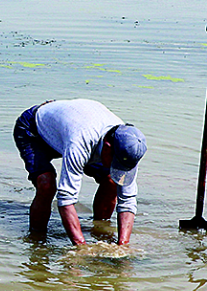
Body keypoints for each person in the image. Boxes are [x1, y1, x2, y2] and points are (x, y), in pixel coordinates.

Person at [13, 99, 146, 246]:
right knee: (46, 184)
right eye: (116, 163)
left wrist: (123, 245)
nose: (119, 168)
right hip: (35, 129)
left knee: (112, 180)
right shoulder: (81, 140)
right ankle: (37, 241)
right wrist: (81, 247)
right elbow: (66, 199)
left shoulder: (129, 147)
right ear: (108, 148)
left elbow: (128, 202)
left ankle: (99, 231)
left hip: (72, 126)